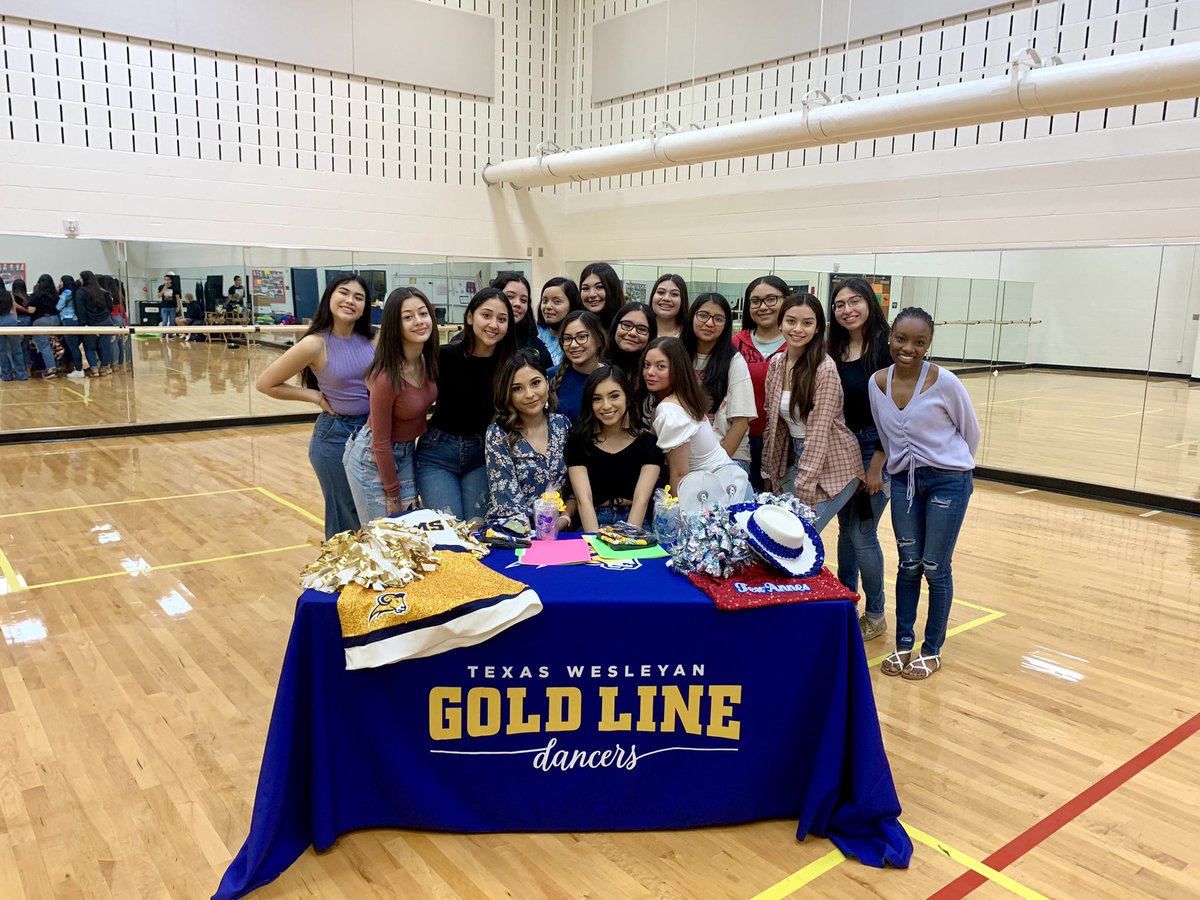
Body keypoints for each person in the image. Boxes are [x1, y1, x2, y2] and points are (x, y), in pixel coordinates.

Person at [869, 307, 980, 681]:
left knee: (935, 567)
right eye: (902, 339)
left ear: (928, 345)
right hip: (904, 481)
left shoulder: (945, 382)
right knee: (908, 564)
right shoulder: (877, 382)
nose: (908, 348)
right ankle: (903, 644)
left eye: (919, 342)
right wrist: (897, 469)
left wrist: (949, 465)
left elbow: (970, 433)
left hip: (949, 480)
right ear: (889, 338)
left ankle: (931, 649)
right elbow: (887, 436)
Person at [255, 275, 375, 539]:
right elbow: (266, 384)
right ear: (329, 297)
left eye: (358, 297)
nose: (350, 301)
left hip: (371, 432)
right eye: (344, 293)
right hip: (335, 436)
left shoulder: (372, 339)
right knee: (345, 515)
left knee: (373, 513)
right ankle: (342, 576)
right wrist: (315, 397)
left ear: (365, 306)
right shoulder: (314, 343)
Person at [760, 294, 863, 531]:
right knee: (780, 537)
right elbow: (772, 423)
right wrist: (769, 470)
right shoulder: (776, 363)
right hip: (798, 458)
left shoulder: (824, 368)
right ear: (780, 324)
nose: (798, 329)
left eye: (807, 323)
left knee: (801, 537)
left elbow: (819, 434)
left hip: (833, 461)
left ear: (817, 328)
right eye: (791, 321)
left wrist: (804, 488)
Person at [829, 278, 894, 643]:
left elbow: (897, 413)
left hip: (875, 449)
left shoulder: (885, 349)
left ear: (870, 304)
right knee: (845, 532)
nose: (848, 309)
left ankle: (876, 612)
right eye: (840, 304)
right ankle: (845, 600)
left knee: (862, 532)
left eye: (855, 301)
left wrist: (877, 464)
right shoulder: (833, 349)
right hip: (842, 449)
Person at [416, 287, 515, 522]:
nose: (493, 324)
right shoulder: (443, 356)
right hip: (437, 454)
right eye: (486, 315)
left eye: (502, 319)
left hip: (482, 456)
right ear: (470, 317)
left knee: (477, 531)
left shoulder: (510, 365)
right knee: (450, 531)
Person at [343, 288, 439, 523]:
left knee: (408, 531)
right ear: (395, 326)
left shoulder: (428, 360)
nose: (419, 322)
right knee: (384, 536)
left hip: (405, 451)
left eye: (423, 313)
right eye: (408, 317)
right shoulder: (387, 376)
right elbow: (380, 441)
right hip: (372, 457)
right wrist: (392, 492)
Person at [568, 364, 662, 531]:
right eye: (597, 399)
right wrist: (594, 544)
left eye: (614, 396)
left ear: (627, 397)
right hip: (593, 520)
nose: (606, 406)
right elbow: (584, 501)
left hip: (635, 522)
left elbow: (641, 500)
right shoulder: (579, 442)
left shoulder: (648, 443)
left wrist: (626, 541)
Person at [485, 351, 572, 528]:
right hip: (516, 533)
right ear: (507, 394)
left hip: (561, 531)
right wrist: (541, 531)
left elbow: (575, 488)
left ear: (547, 382)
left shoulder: (562, 425)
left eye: (536, 383)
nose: (529, 394)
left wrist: (564, 519)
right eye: (517, 388)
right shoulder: (499, 434)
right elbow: (507, 503)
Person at [640, 336, 734, 491]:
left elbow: (679, 474)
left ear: (678, 369)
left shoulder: (669, 411)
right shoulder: (684, 398)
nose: (650, 372)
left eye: (660, 367)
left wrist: (674, 512)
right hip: (727, 480)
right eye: (646, 365)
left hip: (714, 492)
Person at [681, 292, 756, 473]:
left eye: (718, 319)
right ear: (692, 316)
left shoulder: (734, 360)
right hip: (683, 457)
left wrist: (715, 468)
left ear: (726, 325)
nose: (709, 323)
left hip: (728, 456)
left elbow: (741, 423)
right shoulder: (677, 354)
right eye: (703, 315)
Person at [733, 276, 790, 492]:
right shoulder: (736, 342)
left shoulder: (796, 342)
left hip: (784, 444)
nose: (763, 307)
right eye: (755, 301)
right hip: (742, 441)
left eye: (771, 299)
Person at [549, 310, 607, 422]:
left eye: (581, 337)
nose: (573, 345)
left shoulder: (611, 377)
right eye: (567, 339)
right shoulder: (549, 376)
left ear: (599, 339)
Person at [493, 272, 551, 370]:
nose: (517, 304)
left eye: (523, 300)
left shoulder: (535, 346)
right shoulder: (478, 340)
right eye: (510, 297)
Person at [535, 277, 582, 368]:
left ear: (572, 304)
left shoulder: (581, 340)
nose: (548, 306)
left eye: (557, 301)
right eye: (544, 301)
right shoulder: (534, 333)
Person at [77, 271, 116, 377]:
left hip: (91, 323)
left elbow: (80, 309)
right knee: (106, 346)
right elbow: (111, 307)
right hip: (106, 321)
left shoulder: (81, 292)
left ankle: (94, 369)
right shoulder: (103, 291)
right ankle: (104, 368)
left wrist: (82, 323)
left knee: (90, 347)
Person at [606, 301, 656, 376]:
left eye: (642, 329)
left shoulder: (653, 373)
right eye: (626, 325)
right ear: (615, 326)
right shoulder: (596, 363)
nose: (633, 333)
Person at [26, 277, 61, 377]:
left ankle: (51, 369)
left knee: (44, 345)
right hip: (55, 320)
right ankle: (57, 365)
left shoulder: (37, 295)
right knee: (54, 344)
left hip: (42, 320)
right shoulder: (56, 295)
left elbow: (31, 310)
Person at [56, 275, 84, 378]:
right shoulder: (76, 291)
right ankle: (78, 367)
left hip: (68, 320)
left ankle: (79, 369)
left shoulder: (66, 292)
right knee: (74, 346)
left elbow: (58, 306)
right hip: (75, 319)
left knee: (73, 347)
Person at [578, 262, 622, 328]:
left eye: (599, 287)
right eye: (586, 288)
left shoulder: (625, 325)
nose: (592, 294)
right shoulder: (575, 326)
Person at [0, 282, 27, 382]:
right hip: (10, 319)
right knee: (16, 349)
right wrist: (15, 321)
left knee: (2, 351)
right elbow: (14, 308)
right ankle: (21, 374)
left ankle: (6, 375)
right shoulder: (8, 294)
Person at [649, 274, 688, 338]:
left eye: (674, 294)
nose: (666, 298)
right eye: (661, 292)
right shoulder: (641, 331)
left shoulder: (690, 335)